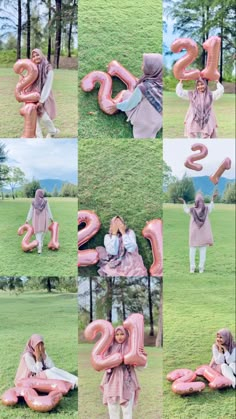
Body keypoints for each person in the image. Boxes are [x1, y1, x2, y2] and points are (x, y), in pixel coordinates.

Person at [109, 53, 163, 139]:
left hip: (144, 124)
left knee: (125, 94)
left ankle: (140, 121)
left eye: (144, 64)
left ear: (151, 68)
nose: (142, 65)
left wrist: (117, 106)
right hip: (158, 122)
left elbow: (130, 104)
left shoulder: (143, 87)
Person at [100, 326, 146, 418]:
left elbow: (141, 367)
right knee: (113, 410)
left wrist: (141, 357)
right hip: (112, 382)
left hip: (127, 382)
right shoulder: (109, 348)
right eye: (117, 334)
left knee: (127, 411)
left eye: (122, 334)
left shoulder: (131, 348)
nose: (119, 337)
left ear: (126, 335)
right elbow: (102, 363)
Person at [178, 192, 218, 273]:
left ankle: (192, 268)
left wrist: (184, 202)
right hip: (203, 234)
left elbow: (186, 210)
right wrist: (212, 199)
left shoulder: (192, 210)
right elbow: (211, 206)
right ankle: (201, 268)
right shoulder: (206, 209)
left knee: (192, 250)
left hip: (194, 234)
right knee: (202, 251)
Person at [30, 48, 59, 138]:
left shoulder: (48, 67)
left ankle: (53, 131)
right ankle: (39, 138)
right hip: (33, 95)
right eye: (33, 56)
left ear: (41, 55)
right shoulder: (33, 68)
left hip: (44, 96)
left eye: (37, 55)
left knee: (45, 117)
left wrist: (41, 101)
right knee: (34, 118)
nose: (35, 58)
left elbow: (47, 85)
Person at [26, 189, 53, 254]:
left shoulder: (34, 201)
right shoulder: (45, 201)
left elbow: (31, 211)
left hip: (36, 221)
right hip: (44, 220)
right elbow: (48, 210)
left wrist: (27, 219)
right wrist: (51, 218)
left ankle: (39, 247)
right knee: (42, 233)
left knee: (38, 234)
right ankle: (40, 246)